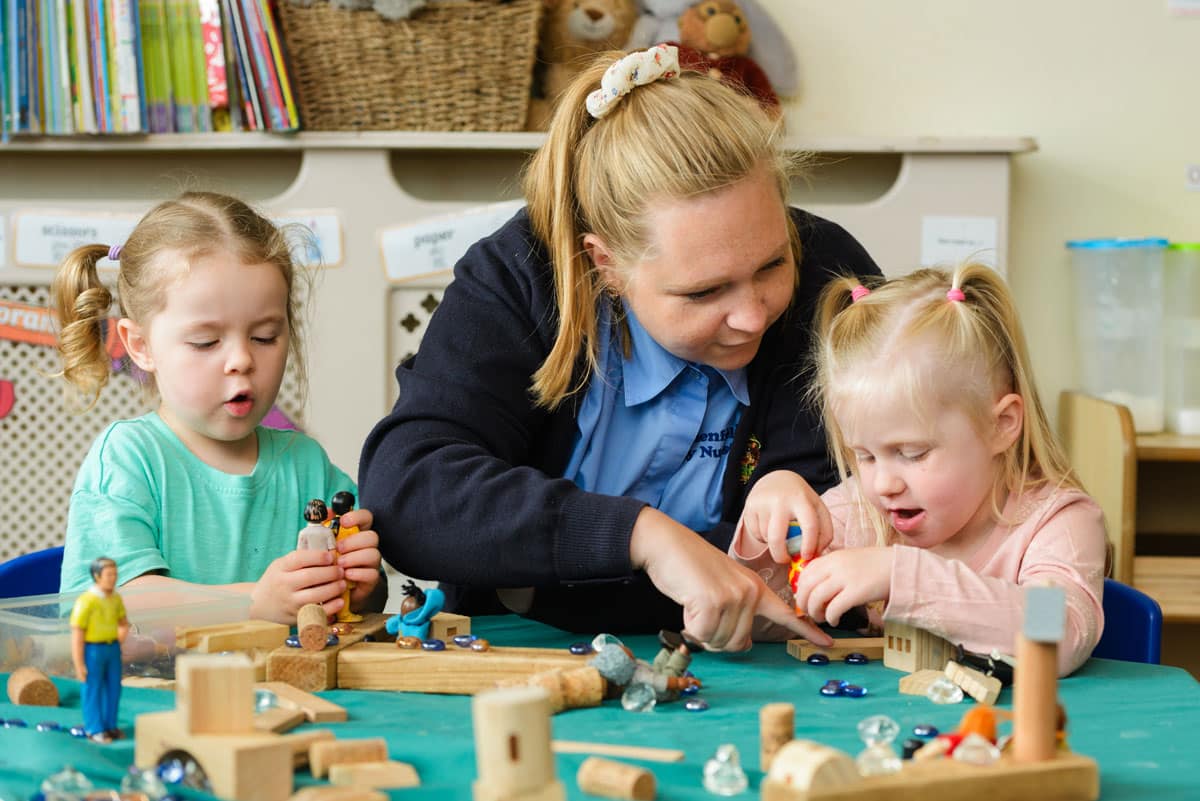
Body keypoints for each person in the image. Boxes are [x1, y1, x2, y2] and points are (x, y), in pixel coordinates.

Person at [359, 44, 881, 649]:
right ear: (604, 264)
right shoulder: (518, 280)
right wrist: (642, 536)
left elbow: (896, 486)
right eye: (704, 291)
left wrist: (800, 491)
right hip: (521, 645)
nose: (752, 315)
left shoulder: (831, 277)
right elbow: (409, 490)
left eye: (772, 264)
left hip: (762, 656)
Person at [731, 265, 1106, 675]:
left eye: (912, 453)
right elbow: (754, 623)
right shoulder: (858, 512)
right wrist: (764, 529)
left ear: (1002, 425)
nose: (883, 483)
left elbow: (1057, 632)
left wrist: (900, 575)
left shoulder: (1057, 522)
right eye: (865, 456)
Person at [54, 192, 384, 624]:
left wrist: (358, 588)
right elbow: (119, 604)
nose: (242, 360)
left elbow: (359, 609)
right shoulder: (128, 459)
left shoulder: (308, 466)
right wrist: (252, 604)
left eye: (265, 336)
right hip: (153, 691)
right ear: (140, 345)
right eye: (206, 342)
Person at [70, 556, 129, 743]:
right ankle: (94, 728)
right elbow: (77, 634)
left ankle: (110, 725)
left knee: (113, 687)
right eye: (108, 574)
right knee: (92, 689)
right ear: (97, 576)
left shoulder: (116, 599)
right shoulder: (86, 601)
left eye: (115, 574)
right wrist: (79, 663)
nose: (113, 578)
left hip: (112, 649)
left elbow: (123, 623)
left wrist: (119, 638)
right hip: (93, 650)